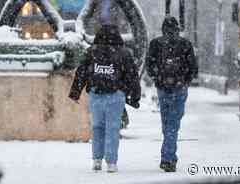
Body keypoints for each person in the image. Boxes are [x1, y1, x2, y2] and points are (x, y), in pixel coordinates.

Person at [69, 24, 141, 173]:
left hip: (96, 95)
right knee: (112, 129)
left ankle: (96, 160)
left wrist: (75, 92)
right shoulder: (124, 53)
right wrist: (135, 96)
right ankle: (111, 162)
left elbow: (81, 72)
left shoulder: (91, 52)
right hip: (116, 96)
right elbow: (132, 76)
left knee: (97, 128)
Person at [146, 17, 198, 172]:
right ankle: (168, 158)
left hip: (163, 89)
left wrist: (158, 79)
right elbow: (193, 68)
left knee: (167, 123)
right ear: (177, 28)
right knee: (173, 124)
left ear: (163, 28)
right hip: (179, 89)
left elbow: (149, 66)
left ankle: (168, 156)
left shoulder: (156, 43)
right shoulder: (185, 44)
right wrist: (185, 81)